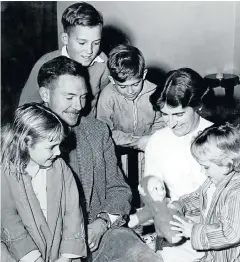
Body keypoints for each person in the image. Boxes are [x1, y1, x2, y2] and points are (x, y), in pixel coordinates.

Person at [35, 56, 163, 262]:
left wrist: (101, 223)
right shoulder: (24, 136)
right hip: (48, 243)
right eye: (69, 97)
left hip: (101, 237)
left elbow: (119, 189)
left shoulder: (96, 131)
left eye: (83, 96)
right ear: (45, 94)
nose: (78, 106)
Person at [1, 103, 86, 262]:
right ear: (27, 142)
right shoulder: (6, 173)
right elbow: (9, 219)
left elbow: (73, 212)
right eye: (52, 147)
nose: (59, 152)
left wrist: (66, 257)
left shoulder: (61, 168)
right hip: (19, 255)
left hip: (60, 251)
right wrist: (33, 259)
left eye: (59, 145)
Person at [143, 68, 213, 251]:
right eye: (165, 114)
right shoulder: (157, 141)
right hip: (173, 230)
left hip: (214, 231)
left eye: (179, 114)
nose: (171, 123)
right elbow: (150, 190)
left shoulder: (218, 139)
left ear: (197, 105)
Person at [165, 124, 240, 262]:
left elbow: (231, 234)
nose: (202, 171)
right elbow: (197, 198)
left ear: (227, 164)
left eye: (205, 166)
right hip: (212, 255)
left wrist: (193, 231)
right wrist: (179, 204)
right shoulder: (214, 182)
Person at [18, 2, 109, 115]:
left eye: (96, 43)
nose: (89, 51)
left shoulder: (103, 63)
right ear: (65, 39)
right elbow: (26, 108)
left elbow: (105, 102)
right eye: (82, 43)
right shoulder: (45, 63)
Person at [97, 44, 165, 181]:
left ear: (144, 75)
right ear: (111, 80)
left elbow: (161, 123)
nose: (130, 91)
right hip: (117, 153)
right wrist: (136, 141)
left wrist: (152, 141)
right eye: (122, 86)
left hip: (150, 150)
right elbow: (104, 131)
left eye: (135, 84)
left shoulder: (156, 92)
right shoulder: (107, 96)